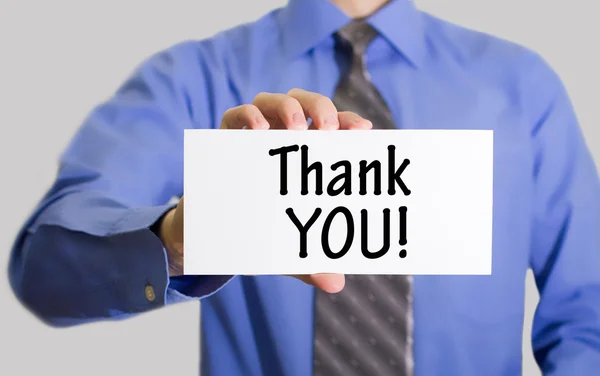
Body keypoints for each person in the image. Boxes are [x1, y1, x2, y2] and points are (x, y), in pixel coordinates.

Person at [8, 0, 600, 375]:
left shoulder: (523, 85)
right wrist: (180, 238)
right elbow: (43, 271)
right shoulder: (190, 77)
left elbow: (588, 312)